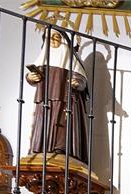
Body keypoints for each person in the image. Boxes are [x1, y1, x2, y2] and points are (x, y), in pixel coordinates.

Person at [26, 29, 89, 162]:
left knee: (63, 125)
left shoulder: (70, 59)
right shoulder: (44, 57)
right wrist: (31, 77)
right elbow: (33, 76)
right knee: (44, 121)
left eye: (56, 36)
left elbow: (82, 80)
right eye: (49, 37)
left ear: (63, 39)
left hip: (66, 100)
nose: (53, 40)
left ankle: (61, 149)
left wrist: (77, 82)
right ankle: (41, 147)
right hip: (45, 99)